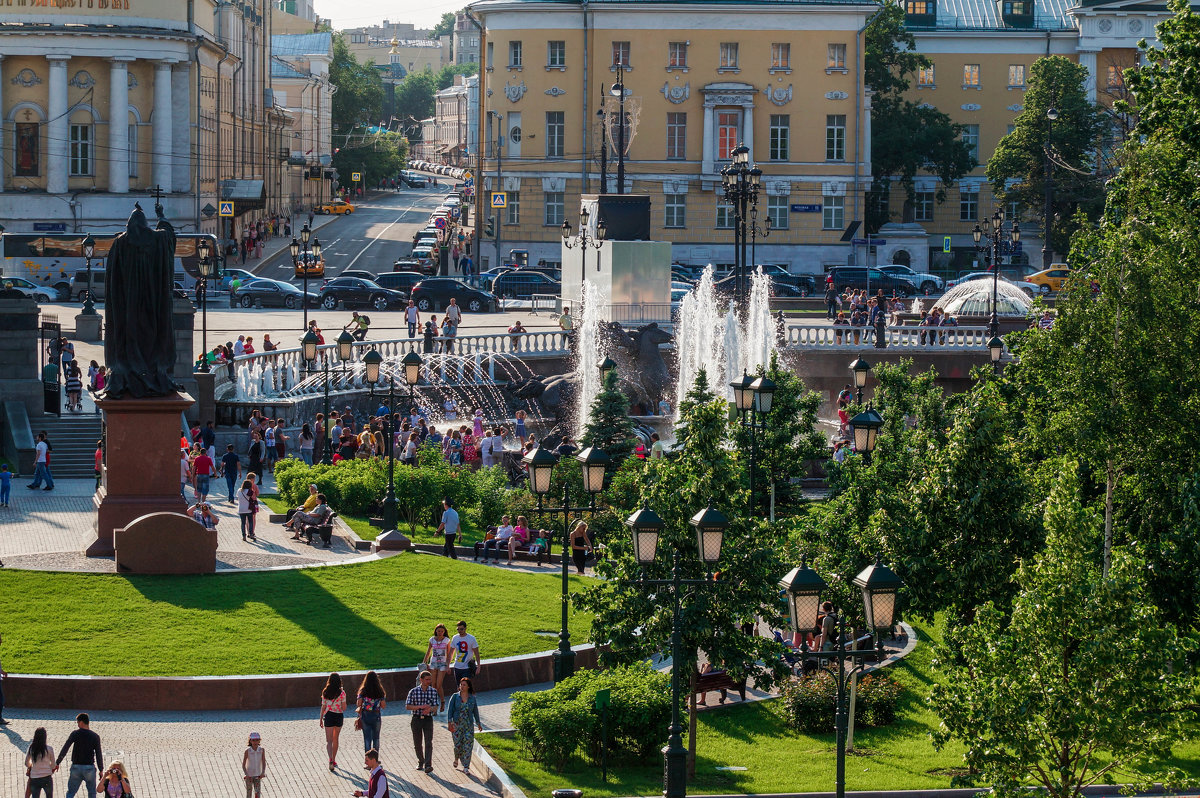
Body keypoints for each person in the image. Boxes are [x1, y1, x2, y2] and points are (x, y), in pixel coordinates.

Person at [57, 712, 103, 798]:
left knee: (71, 793)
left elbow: (65, 748)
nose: (77, 724)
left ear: (81, 722)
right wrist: (101, 769)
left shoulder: (75, 734)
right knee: (92, 793)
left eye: (78, 722)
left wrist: (58, 762)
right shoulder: (95, 736)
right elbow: (98, 754)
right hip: (89, 768)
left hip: (76, 767)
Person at [446, 676, 483, 770]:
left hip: (468, 725)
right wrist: (449, 722)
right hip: (457, 725)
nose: (462, 686)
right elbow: (450, 710)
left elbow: (475, 711)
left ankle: (466, 766)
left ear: (468, 687)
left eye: (464, 685)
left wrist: (478, 723)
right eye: (461, 685)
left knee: (468, 745)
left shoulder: (472, 698)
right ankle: (456, 758)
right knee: (458, 745)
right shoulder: (455, 697)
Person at [406, 671, 440, 773]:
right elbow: (407, 706)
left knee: (428, 742)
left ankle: (428, 765)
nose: (429, 681)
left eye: (430, 679)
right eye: (427, 679)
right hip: (416, 719)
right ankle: (421, 761)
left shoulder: (433, 691)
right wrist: (420, 707)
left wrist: (430, 709)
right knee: (417, 743)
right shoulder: (413, 691)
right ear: (421, 680)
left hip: (428, 720)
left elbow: (436, 706)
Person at [319, 672, 347, 772]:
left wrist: (320, 719)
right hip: (339, 716)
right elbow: (344, 708)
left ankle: (330, 759)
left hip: (329, 716)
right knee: (336, 739)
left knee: (329, 741)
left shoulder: (325, 692)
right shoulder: (342, 693)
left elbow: (323, 706)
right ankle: (334, 760)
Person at [356, 671, 387, 754]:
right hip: (376, 715)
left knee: (367, 738)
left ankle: (368, 760)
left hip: (365, 715)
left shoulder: (363, 691)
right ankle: (375, 759)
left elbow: (359, 703)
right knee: (376, 738)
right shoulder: (380, 691)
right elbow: (383, 706)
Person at [422, 623, 451, 711]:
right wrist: (424, 662)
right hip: (433, 663)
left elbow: (449, 653)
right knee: (433, 684)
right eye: (438, 631)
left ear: (444, 632)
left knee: (438, 684)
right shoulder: (432, 640)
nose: (440, 633)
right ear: (436, 631)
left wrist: (448, 665)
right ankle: (435, 705)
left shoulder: (447, 640)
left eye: (442, 631)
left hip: (442, 663)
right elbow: (428, 651)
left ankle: (442, 702)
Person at [26, 727, 55, 798]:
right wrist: (48, 768)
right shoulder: (49, 749)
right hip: (47, 777)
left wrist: (31, 767)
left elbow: (26, 763)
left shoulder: (32, 748)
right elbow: (53, 765)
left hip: (34, 778)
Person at [449, 621, 481, 685]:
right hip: (457, 667)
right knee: (459, 687)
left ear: (465, 628)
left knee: (466, 687)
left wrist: (479, 666)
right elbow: (451, 652)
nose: (459, 631)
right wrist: (447, 665)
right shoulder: (455, 638)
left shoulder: (471, 638)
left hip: (467, 668)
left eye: (461, 629)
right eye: (458, 629)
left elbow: (477, 653)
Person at [242, 732, 266, 798]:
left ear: (259, 741)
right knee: (249, 793)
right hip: (249, 776)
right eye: (253, 740)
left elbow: (263, 762)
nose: (255, 742)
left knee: (257, 793)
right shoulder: (248, 751)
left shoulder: (261, 750)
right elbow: (243, 764)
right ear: (250, 741)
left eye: (257, 740)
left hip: (258, 775)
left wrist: (263, 772)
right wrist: (246, 774)